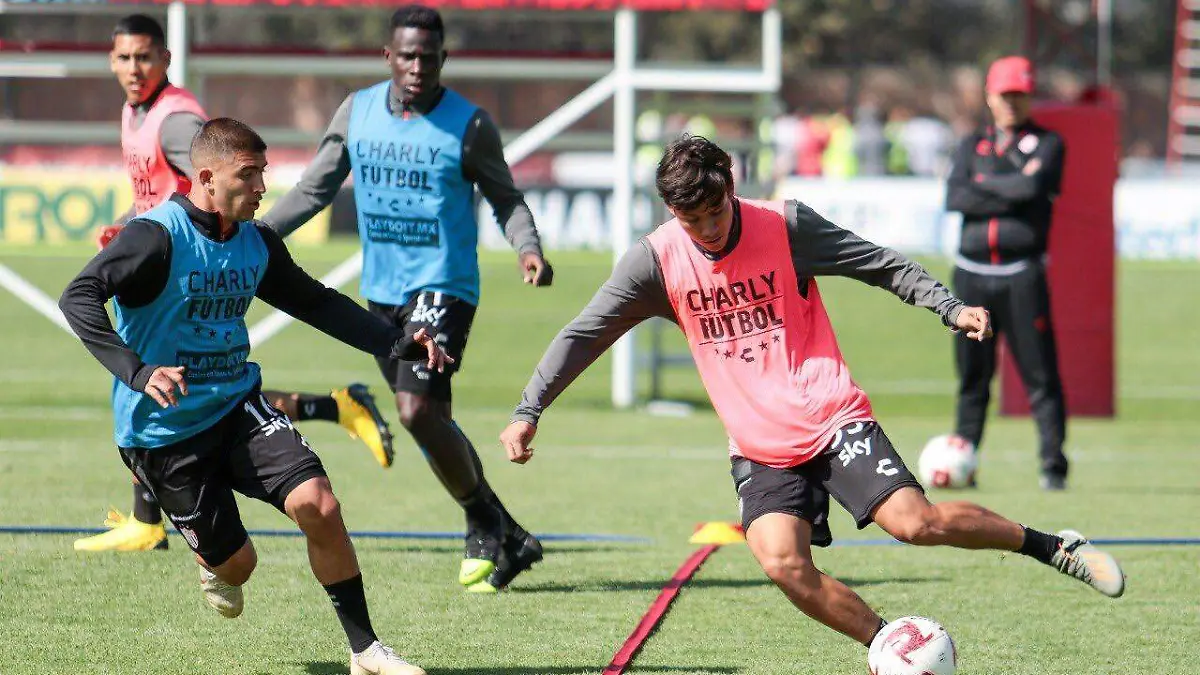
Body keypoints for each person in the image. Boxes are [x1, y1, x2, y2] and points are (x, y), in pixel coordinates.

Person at [500, 135, 1124, 655]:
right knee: (782, 564)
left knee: (917, 524)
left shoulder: (784, 225)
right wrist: (529, 409)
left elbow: (879, 263)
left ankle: (1053, 546)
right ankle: (892, 647)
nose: (709, 230)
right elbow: (584, 334)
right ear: (671, 213)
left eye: (716, 212)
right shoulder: (654, 264)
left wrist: (949, 306)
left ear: (731, 184)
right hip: (761, 445)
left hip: (831, 416)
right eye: (692, 221)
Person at [60, 118, 442, 675]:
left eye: (264, 171)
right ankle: (214, 560)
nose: (263, 185)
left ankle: (366, 653)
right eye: (251, 173)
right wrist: (137, 371)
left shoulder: (255, 241)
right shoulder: (156, 237)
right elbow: (79, 296)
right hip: (163, 433)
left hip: (238, 406)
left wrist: (397, 342)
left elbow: (313, 301)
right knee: (239, 567)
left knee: (320, 504)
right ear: (208, 177)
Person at [77, 14, 396, 555]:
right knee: (192, 373)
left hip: (195, 259)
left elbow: (208, 184)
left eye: (145, 57)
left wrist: (173, 237)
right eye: (124, 58)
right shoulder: (138, 113)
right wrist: (132, 221)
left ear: (166, 59)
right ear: (111, 60)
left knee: (199, 374)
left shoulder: (175, 122)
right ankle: (156, 515)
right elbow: (174, 193)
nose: (134, 68)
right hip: (174, 256)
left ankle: (153, 519)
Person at [261, 5, 548, 592]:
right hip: (382, 293)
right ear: (388, 57)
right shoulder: (358, 112)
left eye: (429, 56)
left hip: (444, 285)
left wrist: (528, 247)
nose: (418, 66)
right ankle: (506, 533)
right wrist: (255, 237)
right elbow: (316, 188)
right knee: (428, 418)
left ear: (444, 59)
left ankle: (483, 520)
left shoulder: (469, 126)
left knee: (417, 411)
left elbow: (506, 198)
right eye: (408, 55)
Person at [945, 55, 1068, 490]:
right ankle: (965, 460)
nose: (1012, 102)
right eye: (1005, 94)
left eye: (1019, 94)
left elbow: (1032, 188)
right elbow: (957, 197)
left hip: (1021, 275)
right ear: (990, 97)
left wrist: (985, 186)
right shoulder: (970, 144)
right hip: (971, 276)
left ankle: (1053, 466)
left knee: (1040, 373)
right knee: (972, 376)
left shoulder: (1049, 144)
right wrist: (1008, 189)